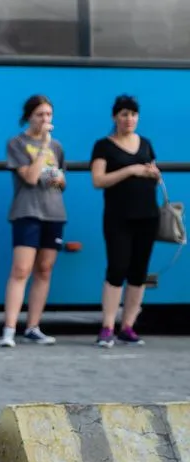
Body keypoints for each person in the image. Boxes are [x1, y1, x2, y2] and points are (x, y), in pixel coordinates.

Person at [90, 94, 161, 348]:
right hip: (118, 217)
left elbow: (154, 176)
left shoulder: (146, 144)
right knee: (117, 268)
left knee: (139, 272)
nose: (129, 119)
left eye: (133, 114)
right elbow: (98, 180)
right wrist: (131, 170)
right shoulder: (103, 146)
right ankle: (108, 326)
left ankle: (128, 326)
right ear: (115, 117)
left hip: (147, 215)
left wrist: (153, 174)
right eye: (124, 114)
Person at [0, 94, 67, 348]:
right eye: (40, 114)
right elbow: (29, 177)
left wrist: (56, 176)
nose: (45, 119)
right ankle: (9, 329)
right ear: (29, 117)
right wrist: (42, 149)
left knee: (44, 270)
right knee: (21, 270)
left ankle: (33, 327)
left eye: (48, 114)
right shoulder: (17, 143)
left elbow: (60, 183)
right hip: (27, 212)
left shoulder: (57, 147)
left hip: (54, 212)